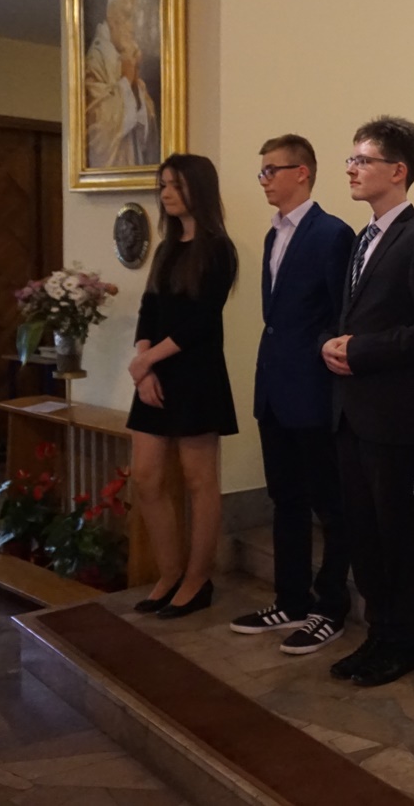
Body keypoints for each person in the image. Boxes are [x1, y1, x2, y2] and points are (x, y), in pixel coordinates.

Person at [323, 116, 414, 687]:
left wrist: (363, 349)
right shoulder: (363, 237)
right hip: (351, 410)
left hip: (392, 414)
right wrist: (334, 343)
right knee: (362, 532)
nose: (351, 169)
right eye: (351, 159)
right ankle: (377, 632)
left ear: (398, 171)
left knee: (394, 534)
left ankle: (404, 639)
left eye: (362, 160)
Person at [228, 135, 358, 656]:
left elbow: (339, 314)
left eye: (271, 170)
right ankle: (291, 599)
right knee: (285, 499)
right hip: (276, 389)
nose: (264, 179)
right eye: (262, 171)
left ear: (301, 172)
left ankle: (331, 606)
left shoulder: (332, 234)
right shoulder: (272, 235)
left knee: (330, 503)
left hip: (313, 390)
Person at [126, 153, 240, 619]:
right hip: (155, 373)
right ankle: (169, 572)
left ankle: (197, 578)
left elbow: (200, 321)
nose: (166, 193)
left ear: (199, 189)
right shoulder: (166, 248)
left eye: (175, 185)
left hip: (196, 375)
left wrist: (146, 361)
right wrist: (144, 366)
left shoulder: (219, 249)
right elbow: (148, 310)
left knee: (199, 480)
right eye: (163, 185)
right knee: (146, 477)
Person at [85, 0, 158, 168]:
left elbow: (146, 131)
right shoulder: (96, 60)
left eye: (134, 19)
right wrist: (125, 80)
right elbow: (97, 131)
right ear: (111, 17)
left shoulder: (127, 57)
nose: (132, 28)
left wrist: (134, 84)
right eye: (127, 16)